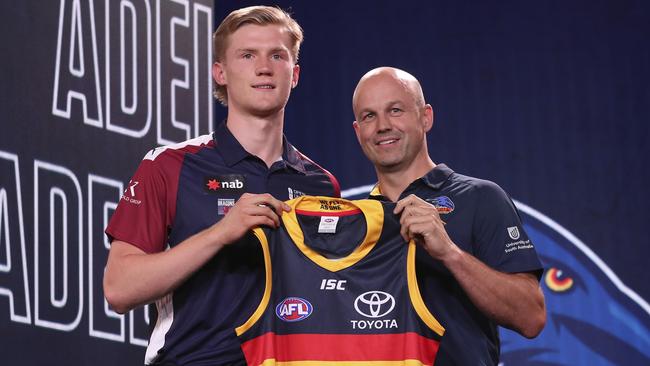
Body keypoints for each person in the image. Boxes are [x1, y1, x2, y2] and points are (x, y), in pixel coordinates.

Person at [103, 6, 339, 365]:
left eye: (278, 55)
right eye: (247, 55)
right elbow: (119, 289)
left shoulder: (321, 185)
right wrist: (221, 233)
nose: (264, 67)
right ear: (220, 72)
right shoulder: (169, 165)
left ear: (295, 74)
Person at [351, 67, 546, 365]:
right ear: (358, 132)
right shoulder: (353, 222)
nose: (382, 125)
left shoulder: (481, 198)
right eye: (369, 116)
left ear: (425, 117)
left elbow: (531, 318)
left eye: (395, 110)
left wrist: (450, 253)